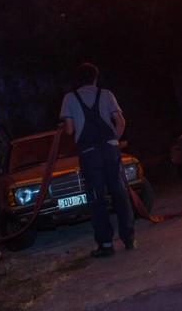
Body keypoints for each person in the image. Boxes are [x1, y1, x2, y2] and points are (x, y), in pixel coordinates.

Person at [60, 62, 136, 257]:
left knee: (96, 198)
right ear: (96, 77)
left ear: (78, 79)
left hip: (89, 153)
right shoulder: (107, 94)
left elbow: (68, 130)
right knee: (120, 193)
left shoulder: (70, 98)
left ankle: (106, 245)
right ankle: (129, 240)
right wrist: (114, 141)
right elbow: (121, 122)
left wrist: (65, 124)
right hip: (110, 150)